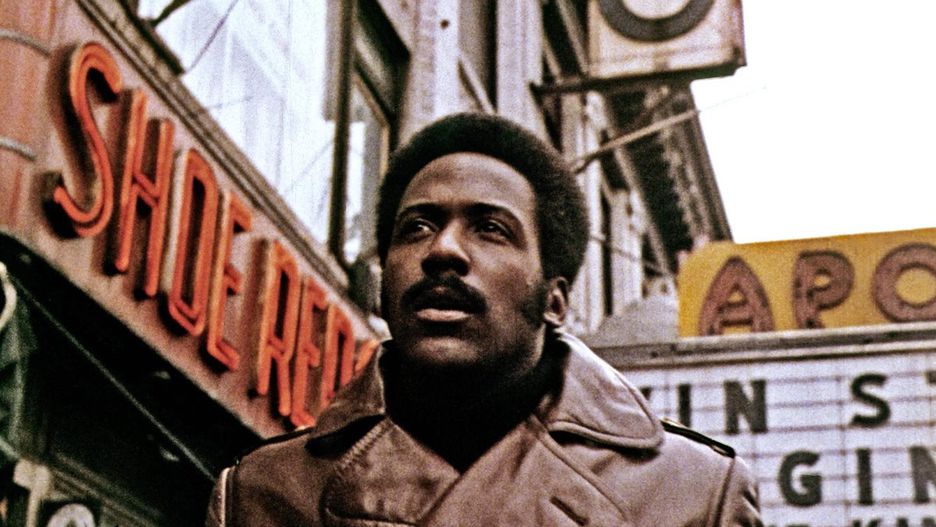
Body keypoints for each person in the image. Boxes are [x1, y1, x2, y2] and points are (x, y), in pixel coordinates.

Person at [205, 112, 762, 526]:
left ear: (554, 300)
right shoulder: (259, 494)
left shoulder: (695, 494)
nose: (442, 250)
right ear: (382, 285)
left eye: (491, 228)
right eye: (416, 227)